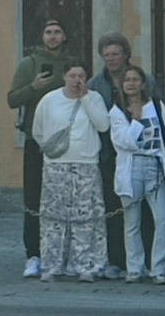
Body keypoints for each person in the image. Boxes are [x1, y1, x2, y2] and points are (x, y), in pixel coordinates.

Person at [8, 19, 82, 278]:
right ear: (42, 36)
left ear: (64, 36)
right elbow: (12, 98)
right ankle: (34, 254)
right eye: (48, 32)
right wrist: (33, 87)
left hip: (71, 142)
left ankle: (66, 253)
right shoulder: (29, 64)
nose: (52, 37)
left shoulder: (73, 64)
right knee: (34, 198)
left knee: (67, 200)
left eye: (57, 32)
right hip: (36, 141)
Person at [32, 63, 112, 281]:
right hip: (56, 164)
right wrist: (52, 151)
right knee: (53, 217)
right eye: (72, 75)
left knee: (86, 216)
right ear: (65, 76)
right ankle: (52, 264)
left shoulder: (94, 98)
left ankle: (87, 264)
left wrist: (85, 98)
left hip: (86, 162)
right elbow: (38, 130)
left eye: (81, 75)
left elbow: (103, 125)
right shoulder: (49, 100)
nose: (77, 79)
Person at [110, 65, 165, 284]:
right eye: (127, 80)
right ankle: (135, 267)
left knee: (162, 219)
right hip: (132, 166)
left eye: (135, 79)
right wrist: (136, 120)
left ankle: (159, 268)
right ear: (121, 85)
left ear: (143, 84)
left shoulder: (156, 105)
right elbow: (124, 142)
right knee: (132, 221)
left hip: (155, 165)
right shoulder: (117, 111)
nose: (131, 84)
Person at [91, 32, 133, 279]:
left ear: (125, 55)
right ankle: (116, 259)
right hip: (108, 156)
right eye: (106, 55)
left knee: (141, 211)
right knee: (112, 210)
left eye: (115, 54)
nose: (111, 58)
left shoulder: (143, 79)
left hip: (137, 154)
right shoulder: (96, 84)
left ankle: (142, 260)